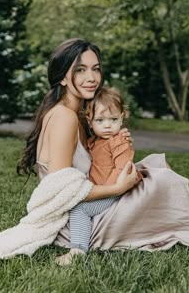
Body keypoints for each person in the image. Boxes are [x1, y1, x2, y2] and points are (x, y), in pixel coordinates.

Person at [0, 38, 189, 265]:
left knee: (156, 164)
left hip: (90, 200)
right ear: (63, 77)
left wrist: (117, 140)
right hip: (76, 221)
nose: (91, 78)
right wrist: (118, 188)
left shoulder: (74, 112)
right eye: (80, 70)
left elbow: (95, 158)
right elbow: (64, 191)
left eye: (95, 69)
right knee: (163, 180)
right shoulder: (64, 117)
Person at [62, 87, 143, 265]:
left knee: (80, 208)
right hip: (104, 188)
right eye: (100, 120)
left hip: (115, 191)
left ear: (122, 118)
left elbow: (121, 170)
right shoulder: (94, 142)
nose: (107, 125)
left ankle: (78, 250)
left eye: (113, 119)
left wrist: (105, 190)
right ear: (89, 122)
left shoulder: (120, 142)